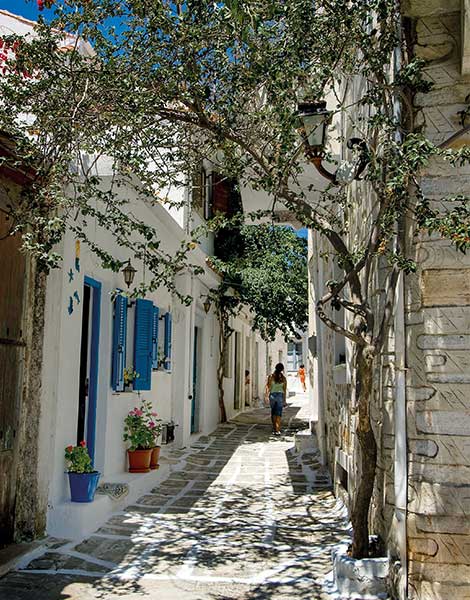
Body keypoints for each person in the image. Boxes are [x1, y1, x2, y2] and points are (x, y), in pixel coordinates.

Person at [265, 363, 287, 435]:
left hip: (272, 396)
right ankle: (277, 430)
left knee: (273, 412)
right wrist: (284, 400)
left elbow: (268, 387)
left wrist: (266, 396)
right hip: (280, 396)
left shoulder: (271, 377)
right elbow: (284, 390)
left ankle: (274, 428)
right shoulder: (283, 378)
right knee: (279, 413)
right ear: (282, 369)